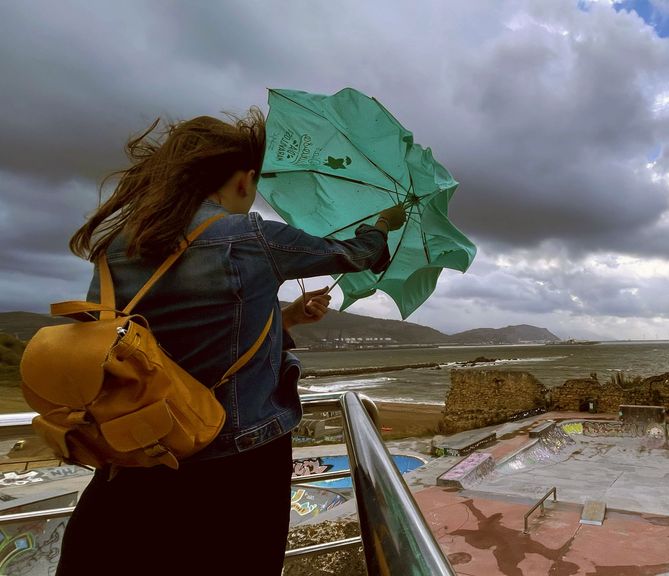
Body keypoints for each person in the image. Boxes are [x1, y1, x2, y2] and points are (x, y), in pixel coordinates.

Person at [55, 109, 406, 576]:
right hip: (236, 466)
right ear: (244, 180)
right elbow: (358, 254)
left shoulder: (120, 243)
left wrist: (288, 318)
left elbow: (146, 344)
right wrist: (384, 223)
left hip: (137, 455)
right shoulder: (247, 237)